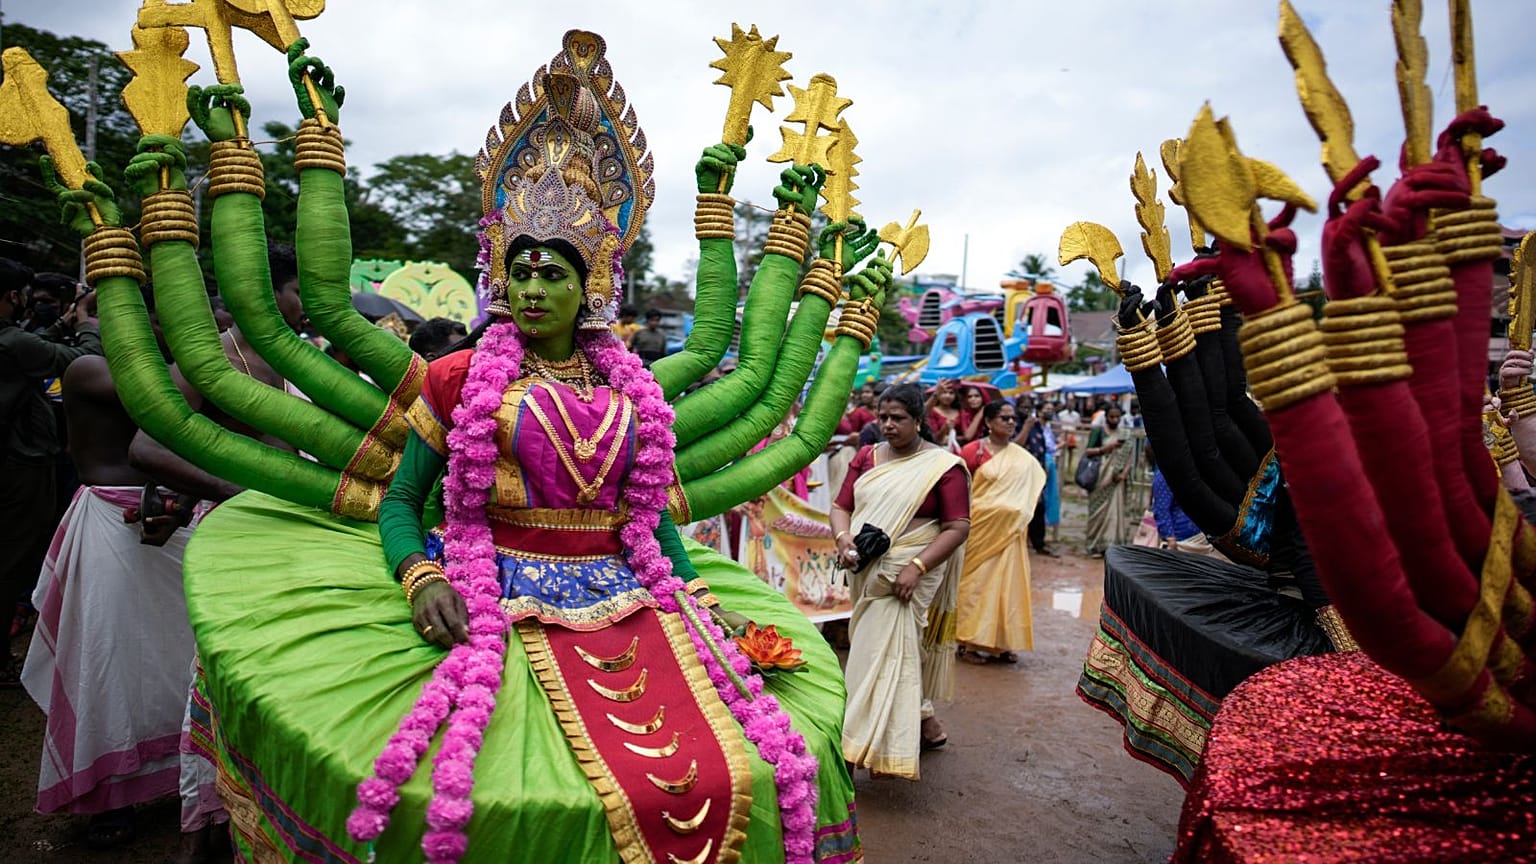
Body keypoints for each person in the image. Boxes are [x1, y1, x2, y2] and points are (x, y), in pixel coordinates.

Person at [832, 382, 971, 777]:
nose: (889, 426)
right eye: (884, 418)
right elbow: (841, 507)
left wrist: (917, 567)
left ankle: (856, 744)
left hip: (910, 569)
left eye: (899, 419)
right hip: (866, 564)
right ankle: (922, 723)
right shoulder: (866, 456)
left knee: (877, 652)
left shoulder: (942, 466)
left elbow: (957, 526)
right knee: (890, 646)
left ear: (918, 420)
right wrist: (843, 539)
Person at [0, 256, 101, 684]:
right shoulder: (13, 343)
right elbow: (80, 361)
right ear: (14, 296)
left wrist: (65, 320)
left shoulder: (13, 340)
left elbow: (35, 344)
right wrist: (88, 327)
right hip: (21, 467)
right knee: (13, 559)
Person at [956, 400, 1045, 663]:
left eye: (1012, 418)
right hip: (980, 531)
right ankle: (969, 643)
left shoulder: (1021, 458)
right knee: (976, 585)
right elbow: (959, 488)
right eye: (1003, 418)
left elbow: (1032, 490)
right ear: (988, 422)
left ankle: (1002, 643)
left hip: (1011, 534)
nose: (1010, 422)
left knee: (1009, 587)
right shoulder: (973, 452)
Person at [1083, 403, 1135, 556]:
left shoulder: (1125, 434)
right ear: (1105, 417)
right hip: (1100, 478)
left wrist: (1124, 473)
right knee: (1097, 512)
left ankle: (1112, 547)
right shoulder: (1098, 432)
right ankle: (1094, 545)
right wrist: (1105, 448)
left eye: (1117, 416)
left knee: (1115, 512)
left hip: (1117, 480)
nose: (1115, 419)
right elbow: (1088, 451)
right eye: (1112, 416)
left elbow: (1130, 456)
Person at [1017, 400, 1061, 556]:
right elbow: (1015, 447)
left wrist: (1043, 468)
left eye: (1029, 408)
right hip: (1017, 473)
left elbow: (1040, 447)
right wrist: (1026, 427)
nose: (1026, 411)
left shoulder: (1037, 426)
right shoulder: (1014, 424)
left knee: (1039, 507)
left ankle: (1039, 543)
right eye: (1023, 407)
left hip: (1036, 472)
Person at [923, 378, 962, 449]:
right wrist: (944, 428)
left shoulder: (961, 412)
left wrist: (953, 438)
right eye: (944, 392)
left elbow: (967, 436)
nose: (948, 396)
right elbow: (935, 439)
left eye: (951, 393)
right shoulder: (932, 411)